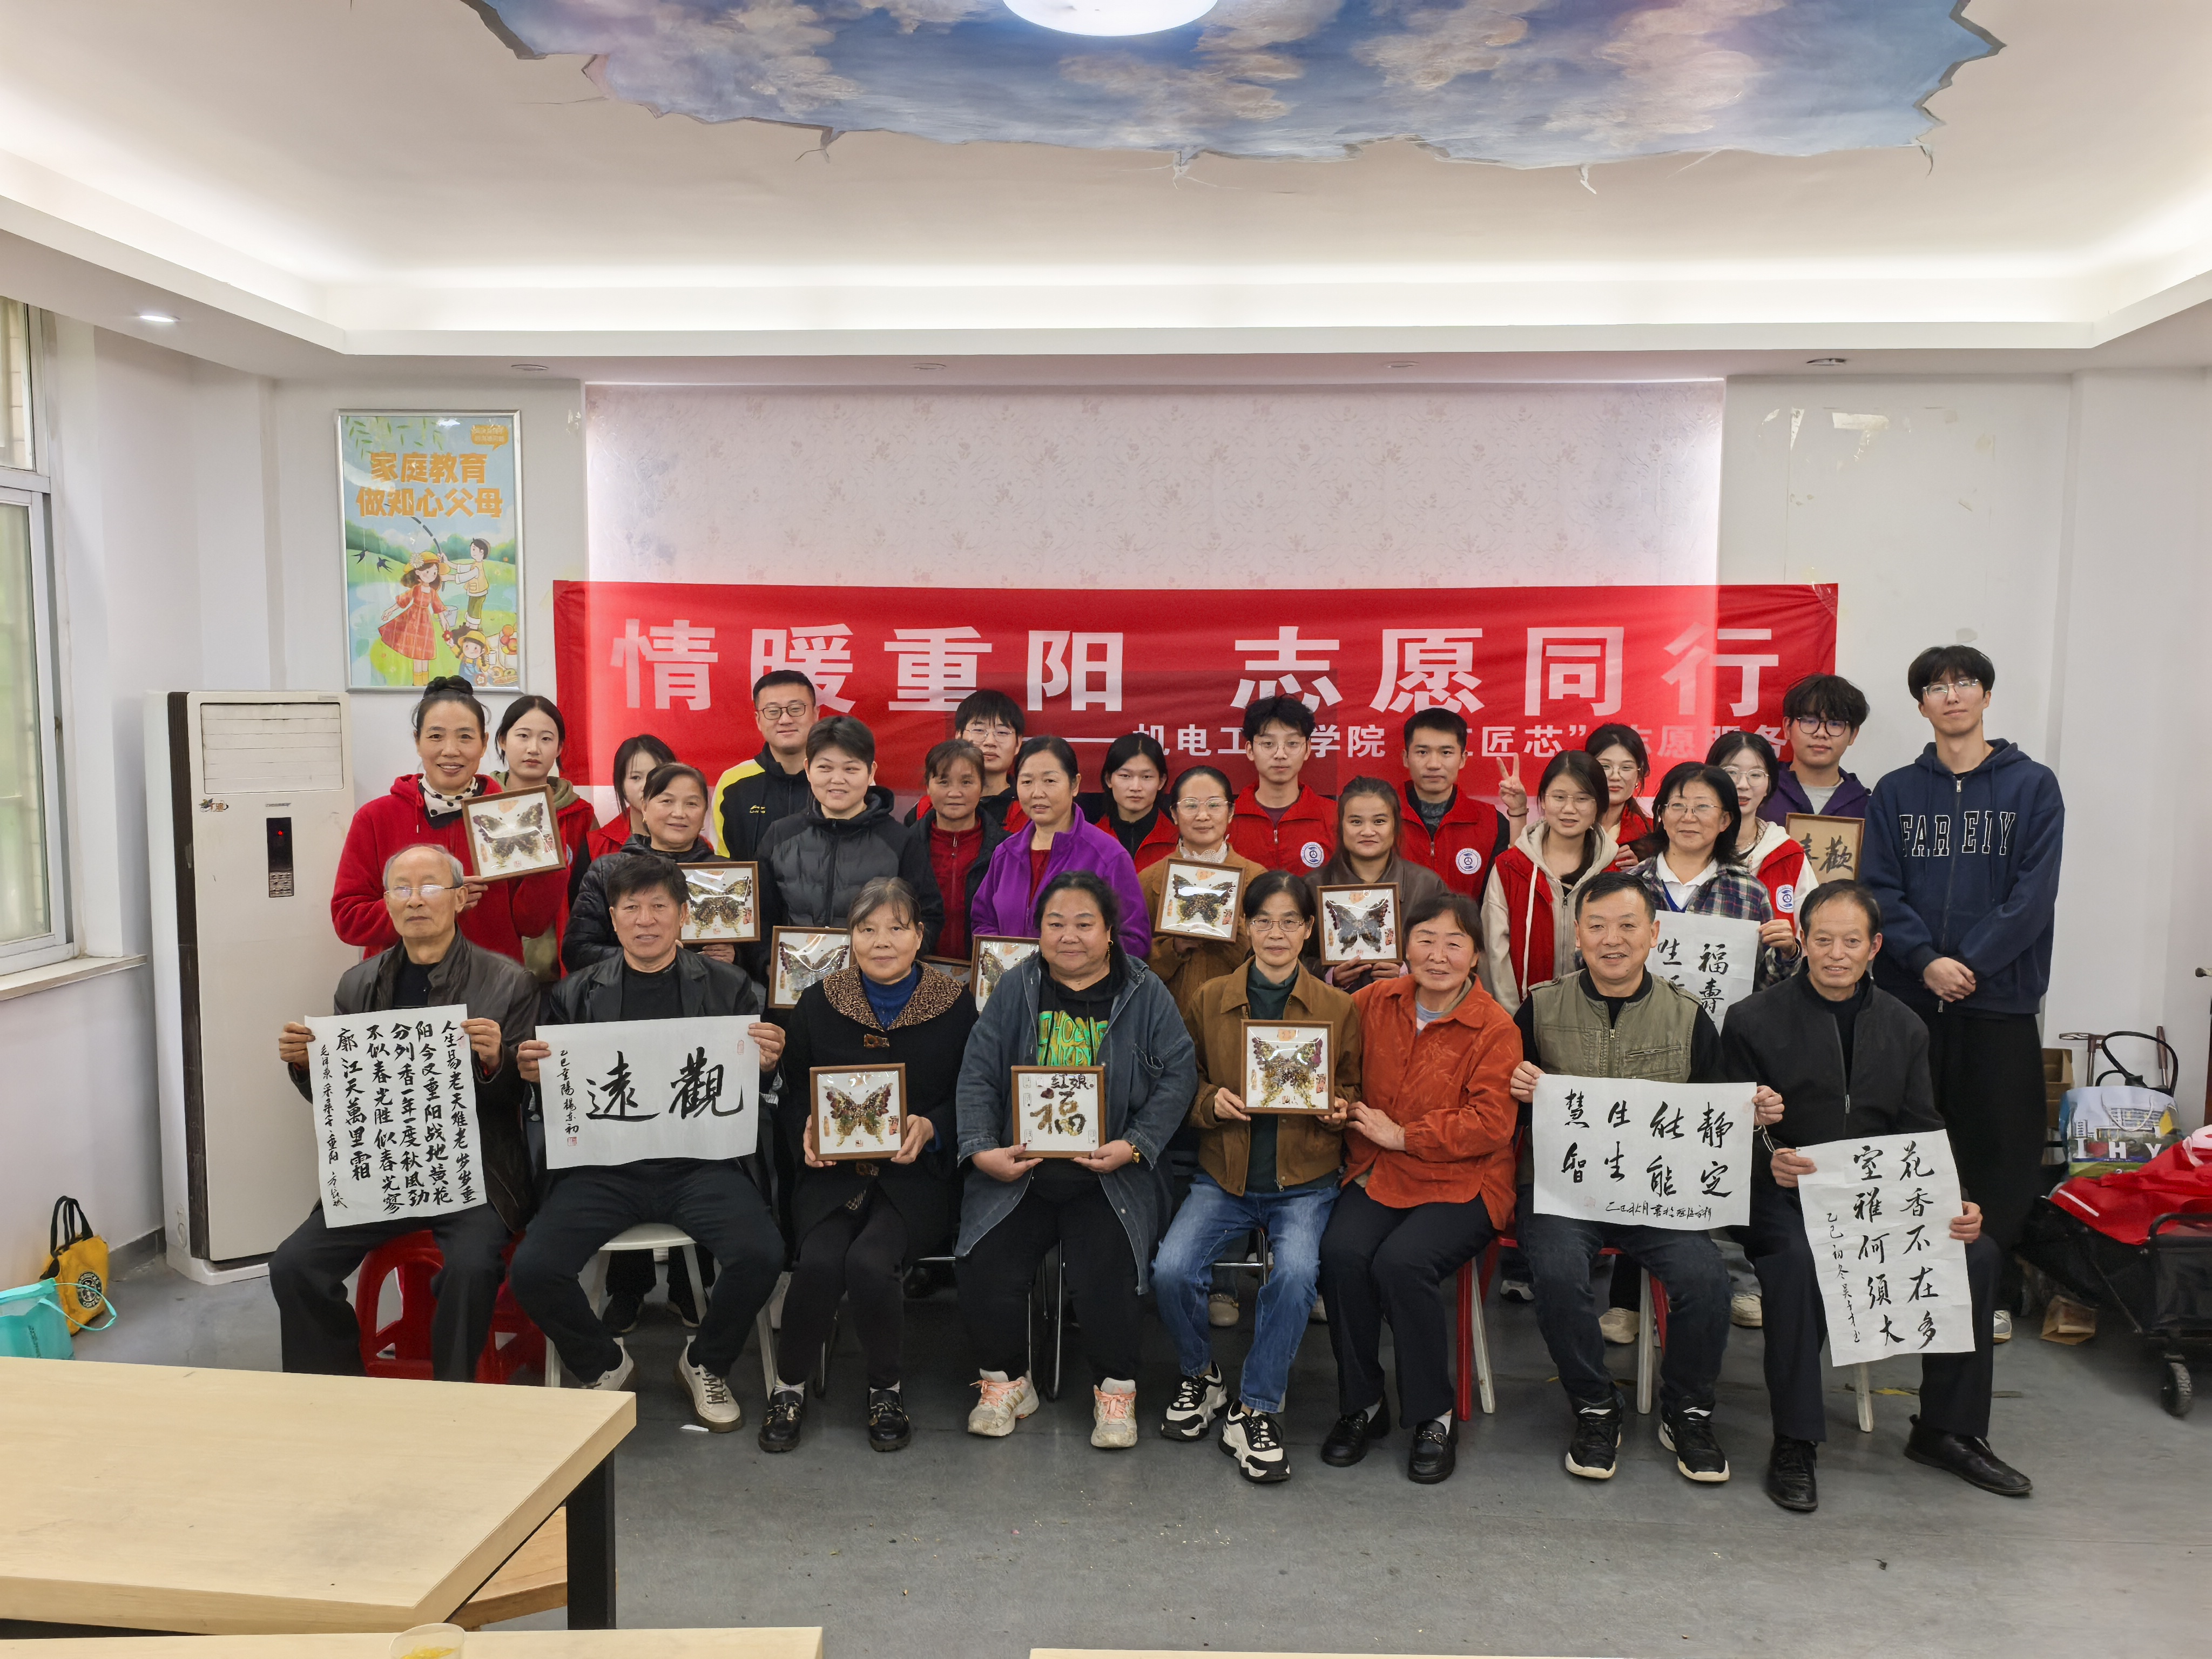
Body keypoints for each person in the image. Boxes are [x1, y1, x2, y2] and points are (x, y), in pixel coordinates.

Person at [1721, 880, 2032, 1512]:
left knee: (1975, 1254)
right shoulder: (1751, 1019)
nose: (1836, 954)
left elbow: (1922, 1127)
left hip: (1873, 1195)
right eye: (1823, 940)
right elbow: (1725, 1123)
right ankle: (1795, 1438)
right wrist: (1766, 1157)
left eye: (1851, 942)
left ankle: (1946, 1430)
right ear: (1803, 941)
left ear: (1875, 947)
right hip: (1781, 1194)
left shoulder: (1903, 1025)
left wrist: (1955, 1200)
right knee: (1798, 1260)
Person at [1506, 871, 1785, 1485]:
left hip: (1657, 1196)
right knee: (1556, 1272)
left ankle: (1688, 1410)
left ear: (1654, 934)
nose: (1613, 940)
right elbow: (1501, 1108)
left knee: (1706, 1281)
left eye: (1628, 926)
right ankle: (1593, 1404)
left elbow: (1715, 1115)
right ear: (1577, 936)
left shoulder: (1687, 1016)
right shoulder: (1541, 1007)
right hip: (1563, 1192)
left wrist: (1751, 1113)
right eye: (1597, 926)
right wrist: (1516, 1089)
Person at [509, 855, 788, 1431]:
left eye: (659, 906)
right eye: (631, 908)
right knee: (534, 1270)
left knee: (762, 1254)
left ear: (684, 915)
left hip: (701, 1165)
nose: (645, 920)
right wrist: (535, 1079)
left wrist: (767, 1067)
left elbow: (757, 1094)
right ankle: (603, 1364)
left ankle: (705, 1361)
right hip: (604, 1169)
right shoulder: (575, 993)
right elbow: (558, 1101)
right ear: (612, 919)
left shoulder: (732, 987)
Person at [269, 845, 539, 1380]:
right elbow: (346, 1102)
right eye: (402, 889)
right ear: (388, 902)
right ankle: (337, 1390)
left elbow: (527, 1097)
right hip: (382, 1171)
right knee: (295, 1265)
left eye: (432, 887)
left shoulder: (510, 982)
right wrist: (306, 1066)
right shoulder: (357, 984)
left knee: (470, 1269)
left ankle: (453, 1399)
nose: (416, 900)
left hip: (476, 1175)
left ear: (460, 899)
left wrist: (497, 1061)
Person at [1859, 646, 2063, 1336]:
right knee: (1905, 1142)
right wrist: (1925, 962)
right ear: (1920, 705)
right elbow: (1879, 888)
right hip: (1908, 999)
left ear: (1985, 697)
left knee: (1997, 1151)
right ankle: (1896, 1285)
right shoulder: (1894, 792)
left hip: (1997, 1001)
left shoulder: (2032, 787)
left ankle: (1989, 1292)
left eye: (1964, 683)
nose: (1952, 695)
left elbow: (2032, 897)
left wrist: (1965, 966)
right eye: (1936, 687)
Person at [954, 872, 1196, 1448]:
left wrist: (1134, 1145)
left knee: (1106, 1271)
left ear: (1110, 932)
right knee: (985, 1259)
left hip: (1110, 1174)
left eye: (1084, 924)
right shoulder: (1015, 987)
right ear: (1038, 932)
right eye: (1055, 923)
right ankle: (1006, 1382)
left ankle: (1116, 1391)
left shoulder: (1144, 991)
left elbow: (1179, 1074)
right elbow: (978, 1073)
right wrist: (983, 1150)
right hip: (1021, 1173)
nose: (1069, 936)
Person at [1152, 873, 1361, 1482]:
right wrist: (1209, 1101)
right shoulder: (1209, 997)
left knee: (1295, 1275)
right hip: (1225, 1175)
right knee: (1170, 1269)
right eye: (1264, 920)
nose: (1276, 933)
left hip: (1306, 1181)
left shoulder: (1338, 1007)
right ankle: (1201, 1374)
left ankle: (1257, 1406)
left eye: (1290, 921)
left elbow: (1351, 1084)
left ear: (1309, 930)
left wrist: (1340, 1107)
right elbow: (1183, 1079)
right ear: (1243, 926)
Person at [764, 878, 979, 1453]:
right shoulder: (819, 1001)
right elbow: (793, 1094)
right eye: (867, 929)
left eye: (896, 928)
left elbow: (973, 1094)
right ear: (850, 938)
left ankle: (885, 1388)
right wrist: (807, 1132)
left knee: (870, 1261)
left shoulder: (955, 1004)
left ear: (920, 936)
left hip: (916, 1177)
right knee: (818, 1262)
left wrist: (932, 1128)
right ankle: (787, 1387)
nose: (882, 941)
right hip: (831, 1173)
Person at [1318, 892, 1519, 1485]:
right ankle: (1363, 1403)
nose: (1438, 954)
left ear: (1476, 955)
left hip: (1466, 1180)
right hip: (1380, 1169)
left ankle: (1434, 1416)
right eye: (1425, 940)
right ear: (1403, 947)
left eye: (1455, 943)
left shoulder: (1495, 1027)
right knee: (1341, 1253)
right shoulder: (1372, 1002)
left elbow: (1491, 1125)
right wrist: (1336, 1104)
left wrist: (1405, 1135)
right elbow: (1335, 1068)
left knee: (1403, 1264)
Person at [332, 677, 564, 966]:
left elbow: (532, 925)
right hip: (401, 981)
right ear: (417, 741)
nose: (451, 750)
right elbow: (348, 920)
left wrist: (550, 861)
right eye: (436, 736)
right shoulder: (375, 818)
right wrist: (433, 901)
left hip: (492, 980)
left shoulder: (509, 815)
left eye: (465, 737)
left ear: (484, 744)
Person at [754, 717, 946, 960]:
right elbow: (758, 916)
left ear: (871, 772)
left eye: (850, 769)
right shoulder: (780, 835)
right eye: (825, 768)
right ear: (808, 770)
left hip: (873, 980)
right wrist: (769, 964)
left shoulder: (900, 842)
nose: (837, 779)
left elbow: (928, 917)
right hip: (793, 977)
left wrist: (890, 964)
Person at [969, 736, 1151, 960]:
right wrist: (1002, 959)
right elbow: (983, 920)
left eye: (1050, 781)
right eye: (1027, 782)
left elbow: (1135, 939)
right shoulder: (1005, 853)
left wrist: (1079, 963)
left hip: (1081, 980)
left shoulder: (1108, 855)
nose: (1037, 793)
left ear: (1074, 785)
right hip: (1013, 979)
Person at [1629, 762, 1796, 989]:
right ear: (1662, 816)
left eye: (1702, 807)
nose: (1688, 817)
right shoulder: (1630, 886)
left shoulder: (1749, 893)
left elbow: (1764, 987)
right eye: (1678, 805)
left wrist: (1787, 954)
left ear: (1725, 820)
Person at [1479, 750, 1618, 1015]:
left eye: (1582, 799)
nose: (1569, 809)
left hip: (1595, 1018)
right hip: (1522, 1017)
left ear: (1599, 805)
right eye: (1559, 797)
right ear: (1543, 799)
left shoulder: (1613, 873)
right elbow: (1495, 951)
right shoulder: (1511, 868)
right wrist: (1516, 1020)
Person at [564, 763, 728, 971]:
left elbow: (753, 952)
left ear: (705, 813)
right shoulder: (607, 871)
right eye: (667, 801)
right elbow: (577, 952)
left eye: (692, 804)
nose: (679, 813)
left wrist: (736, 956)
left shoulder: (726, 874)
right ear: (644, 807)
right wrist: (646, 956)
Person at [1138, 765, 1268, 1020]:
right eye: (1190, 805)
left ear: (1231, 812)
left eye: (1214, 805)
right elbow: (1133, 961)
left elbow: (1270, 959)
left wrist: (1228, 929)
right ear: (1174, 814)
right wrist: (1174, 947)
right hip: (1168, 1017)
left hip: (1236, 1017)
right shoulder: (1150, 879)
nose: (1203, 815)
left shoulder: (1256, 879)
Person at [1305, 778, 1448, 994]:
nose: (1368, 831)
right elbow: (1291, 958)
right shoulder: (1312, 886)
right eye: (1356, 822)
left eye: (1379, 821)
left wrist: (1408, 973)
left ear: (1396, 825)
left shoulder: (1427, 886)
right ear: (1341, 826)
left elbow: (1451, 952)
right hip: (1335, 1008)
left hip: (1408, 1007)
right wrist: (1328, 975)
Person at [493, 694, 596, 982]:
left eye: (546, 739)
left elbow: (590, 897)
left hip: (556, 971)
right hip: (487, 968)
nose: (533, 748)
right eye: (523, 736)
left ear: (560, 747)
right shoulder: (477, 807)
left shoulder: (580, 815)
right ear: (502, 740)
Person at [1397, 709, 1514, 898]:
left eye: (1446, 752)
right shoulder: (1381, 820)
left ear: (1462, 759)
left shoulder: (1492, 823)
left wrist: (1518, 813)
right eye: (1422, 752)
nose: (1434, 764)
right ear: (1406, 758)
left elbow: (1503, 897)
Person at [710, 670, 819, 861]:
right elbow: (723, 862)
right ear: (758, 720)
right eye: (773, 711)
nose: (785, 720)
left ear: (816, 714)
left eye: (796, 709)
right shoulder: (733, 782)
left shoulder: (841, 777)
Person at [1709, 732, 1810, 928]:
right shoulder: (1689, 848)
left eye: (1756, 775)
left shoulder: (1788, 855)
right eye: (1731, 772)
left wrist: (1792, 945)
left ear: (1769, 785)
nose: (1743, 785)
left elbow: (1810, 932)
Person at [920, 738, 1004, 965]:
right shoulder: (907, 845)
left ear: (982, 786)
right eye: (944, 782)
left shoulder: (1005, 850)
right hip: (917, 970)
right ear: (928, 786)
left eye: (966, 782)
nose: (955, 793)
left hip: (985, 971)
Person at [1228, 696, 1335, 873]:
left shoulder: (1334, 818)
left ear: (1308, 749)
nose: (1280, 754)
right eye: (1268, 744)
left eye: (1292, 744)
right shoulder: (1227, 819)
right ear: (1250, 750)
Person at [910, 689, 1029, 834]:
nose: (990, 742)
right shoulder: (927, 808)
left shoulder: (1029, 808)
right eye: (979, 730)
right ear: (959, 737)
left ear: (1018, 743)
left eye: (1002, 732)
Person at [1760, 673, 1872, 824]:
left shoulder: (1868, 807)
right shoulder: (1759, 792)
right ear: (1787, 727)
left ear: (1853, 735)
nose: (1821, 733)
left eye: (1835, 724)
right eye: (1810, 721)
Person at [1081, 731, 1177, 872]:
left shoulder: (1179, 841)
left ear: (1161, 782)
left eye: (1146, 777)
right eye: (1125, 776)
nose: (1136, 787)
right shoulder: (1089, 841)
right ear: (1108, 779)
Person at [586, 733, 677, 865]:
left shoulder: (696, 845)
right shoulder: (597, 845)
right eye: (636, 778)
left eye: (656, 776)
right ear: (620, 783)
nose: (646, 786)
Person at [1586, 724, 1654, 855]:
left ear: (1639, 775)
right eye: (1605, 766)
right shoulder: (1568, 825)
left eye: (1626, 768)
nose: (1615, 776)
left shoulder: (1653, 833)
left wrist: (1642, 866)